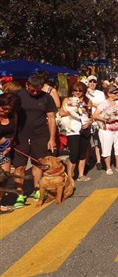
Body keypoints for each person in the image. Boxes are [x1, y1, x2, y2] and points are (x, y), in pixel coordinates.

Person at [12, 74, 57, 208]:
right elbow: (12, 115)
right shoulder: (18, 95)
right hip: (20, 136)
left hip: (40, 135)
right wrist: (11, 136)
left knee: (38, 164)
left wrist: (52, 138)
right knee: (19, 166)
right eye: (32, 90)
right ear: (27, 85)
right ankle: (19, 194)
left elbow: (51, 118)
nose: (35, 92)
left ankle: (38, 189)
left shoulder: (46, 97)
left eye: (38, 90)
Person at [58, 82, 93, 182]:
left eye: (80, 90)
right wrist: (74, 111)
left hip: (85, 128)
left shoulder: (88, 101)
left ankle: (81, 175)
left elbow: (91, 116)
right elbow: (61, 113)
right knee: (74, 154)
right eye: (75, 90)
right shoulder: (67, 100)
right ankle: (69, 176)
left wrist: (89, 122)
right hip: (72, 129)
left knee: (82, 153)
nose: (77, 92)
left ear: (84, 91)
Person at [93, 85, 118, 174]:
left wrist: (117, 118)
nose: (117, 94)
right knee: (106, 147)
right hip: (106, 129)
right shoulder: (103, 103)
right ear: (109, 94)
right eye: (115, 93)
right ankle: (108, 167)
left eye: (117, 92)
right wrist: (106, 119)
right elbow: (95, 115)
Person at [0, 93, 19, 212]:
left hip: (5, 151)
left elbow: (13, 131)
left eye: (9, 109)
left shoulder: (13, 116)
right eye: (3, 108)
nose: (5, 111)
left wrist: (9, 143)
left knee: (4, 178)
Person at [85, 75, 105, 170]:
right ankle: (87, 161)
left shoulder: (101, 93)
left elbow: (104, 105)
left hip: (98, 119)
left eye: (94, 81)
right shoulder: (84, 92)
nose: (92, 83)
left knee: (97, 141)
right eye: (90, 81)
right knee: (87, 141)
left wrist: (92, 104)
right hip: (87, 119)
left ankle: (98, 160)